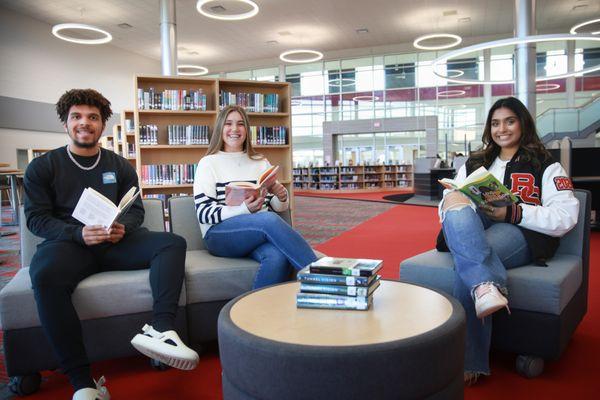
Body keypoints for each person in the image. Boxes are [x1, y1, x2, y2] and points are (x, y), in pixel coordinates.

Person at [24, 89, 199, 400]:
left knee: (172, 243)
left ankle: (161, 331)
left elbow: (136, 210)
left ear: (102, 125)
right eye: (76, 116)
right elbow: (37, 219)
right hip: (70, 245)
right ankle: (82, 383)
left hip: (116, 243)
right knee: (44, 275)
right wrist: (77, 234)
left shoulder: (119, 165)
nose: (84, 123)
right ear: (65, 123)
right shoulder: (42, 167)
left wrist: (123, 228)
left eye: (93, 117)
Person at [436, 97, 579, 385]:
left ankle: (469, 363)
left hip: (519, 230)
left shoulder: (546, 164)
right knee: (452, 196)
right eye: (495, 123)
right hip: (475, 225)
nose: (502, 129)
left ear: (522, 123)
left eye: (509, 121)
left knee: (467, 261)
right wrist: (458, 201)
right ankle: (485, 285)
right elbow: (446, 210)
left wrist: (512, 211)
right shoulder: (475, 161)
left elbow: (567, 216)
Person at [193, 105, 317, 289]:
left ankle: (254, 315)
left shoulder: (260, 161)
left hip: (257, 232)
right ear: (220, 128)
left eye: (240, 124)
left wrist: (281, 198)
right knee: (267, 219)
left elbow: (271, 205)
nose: (235, 129)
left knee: (277, 257)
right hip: (219, 235)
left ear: (247, 130)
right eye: (228, 123)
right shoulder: (208, 163)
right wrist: (244, 209)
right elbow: (203, 213)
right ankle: (322, 277)